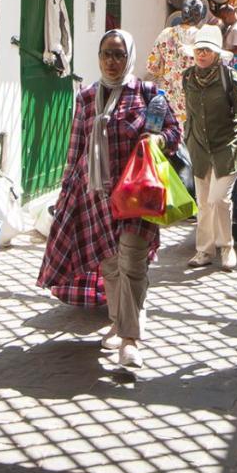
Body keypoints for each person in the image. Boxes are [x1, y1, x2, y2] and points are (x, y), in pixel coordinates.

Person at [37, 30, 182, 369]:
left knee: (132, 262)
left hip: (135, 195)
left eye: (119, 54)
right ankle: (119, 323)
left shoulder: (145, 94)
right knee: (111, 265)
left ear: (128, 56)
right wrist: (65, 192)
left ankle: (130, 339)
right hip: (95, 195)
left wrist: (159, 141)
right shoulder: (87, 97)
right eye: (107, 54)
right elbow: (76, 147)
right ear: (99, 57)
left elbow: (175, 132)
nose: (113, 61)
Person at [182, 25, 237, 271]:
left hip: (227, 147)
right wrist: (187, 139)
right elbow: (191, 114)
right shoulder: (188, 77)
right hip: (200, 148)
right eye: (198, 50)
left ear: (216, 54)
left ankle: (227, 247)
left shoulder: (229, 77)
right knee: (203, 202)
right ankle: (204, 251)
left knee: (219, 200)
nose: (202, 55)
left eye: (207, 50)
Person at [147, 0, 206, 123]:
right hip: (194, 100)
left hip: (169, 99)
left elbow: (152, 66)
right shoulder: (203, 37)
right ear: (200, 16)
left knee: (171, 135)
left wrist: (167, 69)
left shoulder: (166, 34)